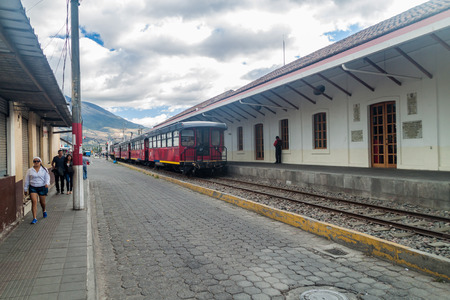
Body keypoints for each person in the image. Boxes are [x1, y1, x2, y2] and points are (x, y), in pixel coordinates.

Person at [24, 157, 50, 224]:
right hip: (33, 187)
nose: (36, 162)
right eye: (34, 161)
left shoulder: (44, 170)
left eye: (37, 161)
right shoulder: (30, 170)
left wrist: (47, 183)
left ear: (40, 162)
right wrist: (25, 189)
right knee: (34, 201)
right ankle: (34, 218)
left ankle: (44, 210)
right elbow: (27, 180)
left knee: (42, 202)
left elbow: (47, 178)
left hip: (42, 187)